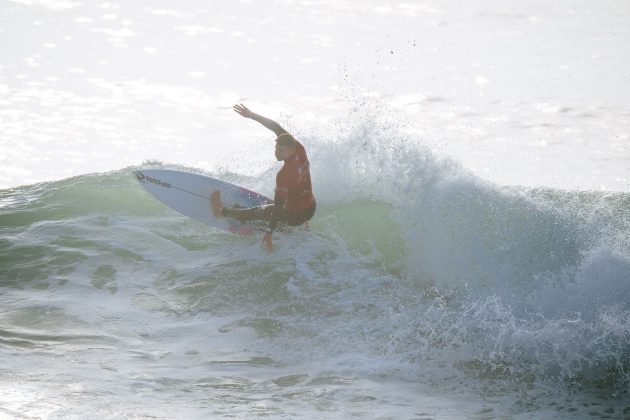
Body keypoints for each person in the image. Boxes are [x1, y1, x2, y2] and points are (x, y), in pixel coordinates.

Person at [211, 104, 316, 251]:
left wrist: (269, 233)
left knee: (258, 211)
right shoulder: (300, 150)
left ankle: (222, 211)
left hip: (295, 216)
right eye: (276, 148)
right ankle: (287, 224)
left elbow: (278, 208)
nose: (276, 153)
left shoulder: (284, 174)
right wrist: (252, 115)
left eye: (281, 150)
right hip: (310, 209)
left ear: (290, 149)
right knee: (284, 196)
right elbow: (275, 127)